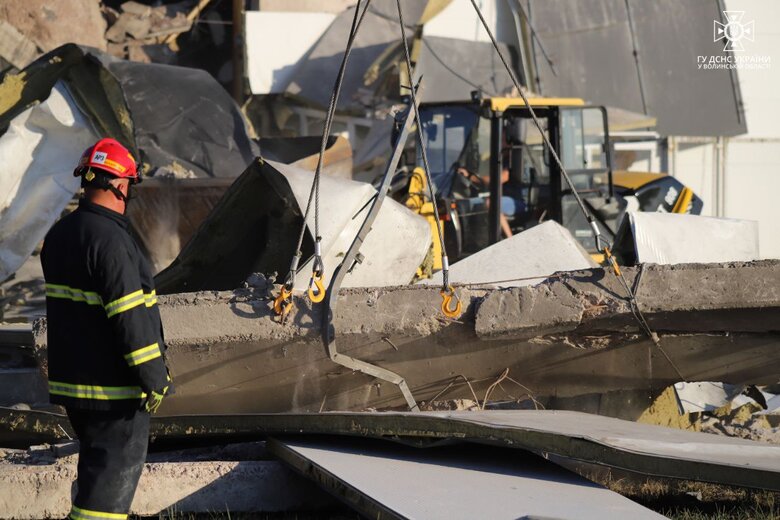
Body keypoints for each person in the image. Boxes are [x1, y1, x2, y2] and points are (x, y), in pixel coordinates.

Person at [40, 138, 171, 520]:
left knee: (95, 477)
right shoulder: (112, 240)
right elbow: (129, 316)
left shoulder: (62, 234)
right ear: (120, 184)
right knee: (107, 497)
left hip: (75, 387)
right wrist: (154, 378)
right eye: (129, 183)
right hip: (114, 391)